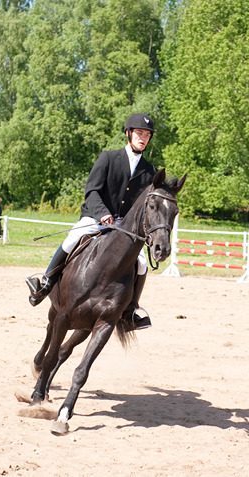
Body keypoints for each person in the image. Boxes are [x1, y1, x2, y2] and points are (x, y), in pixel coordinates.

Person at [26, 113, 157, 330]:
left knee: (141, 262)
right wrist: (103, 213)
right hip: (97, 216)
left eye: (147, 135)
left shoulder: (149, 171)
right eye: (139, 133)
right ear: (128, 134)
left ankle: (131, 309)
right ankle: (46, 283)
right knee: (73, 238)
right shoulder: (107, 158)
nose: (143, 138)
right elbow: (92, 191)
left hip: (124, 226)